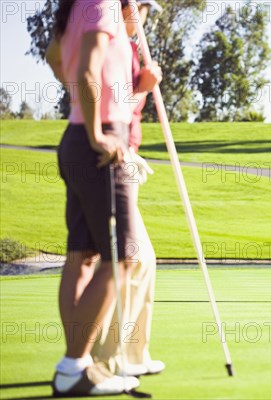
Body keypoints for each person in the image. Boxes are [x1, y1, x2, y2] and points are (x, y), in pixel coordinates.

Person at [45, 0, 160, 395]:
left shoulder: (76, 7)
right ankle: (74, 366)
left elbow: (56, 58)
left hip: (77, 138)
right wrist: (98, 132)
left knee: (82, 256)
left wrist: (83, 110)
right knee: (123, 259)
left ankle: (77, 363)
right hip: (99, 142)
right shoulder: (103, 3)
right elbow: (88, 68)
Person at [91, 0, 165, 377]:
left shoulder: (126, 46)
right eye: (143, 10)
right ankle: (111, 358)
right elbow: (117, 109)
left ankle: (132, 355)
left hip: (126, 157)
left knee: (141, 260)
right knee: (130, 258)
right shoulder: (114, 44)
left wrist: (142, 85)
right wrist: (145, 89)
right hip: (112, 158)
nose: (146, 19)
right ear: (126, 10)